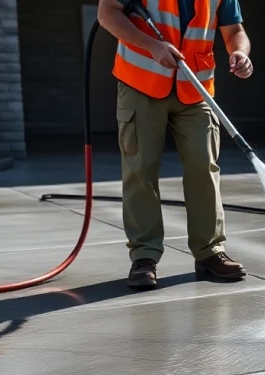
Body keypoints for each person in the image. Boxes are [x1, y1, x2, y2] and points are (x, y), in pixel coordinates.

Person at [97, 0, 253, 289]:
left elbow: (234, 32)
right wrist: (151, 45)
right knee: (140, 170)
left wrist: (240, 53)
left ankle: (210, 252)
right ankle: (144, 257)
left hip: (195, 88)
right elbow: (107, 14)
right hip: (140, 82)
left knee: (203, 168)